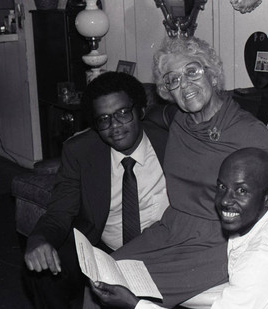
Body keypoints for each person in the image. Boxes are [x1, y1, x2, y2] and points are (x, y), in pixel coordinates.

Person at [109, 36, 268, 308]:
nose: (185, 85)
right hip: (171, 229)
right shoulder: (178, 119)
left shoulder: (247, 130)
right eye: (173, 80)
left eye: (192, 72)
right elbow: (151, 116)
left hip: (216, 241)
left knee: (123, 290)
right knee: (102, 273)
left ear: (213, 76)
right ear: (168, 91)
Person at [89, 148, 268, 309]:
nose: (226, 201)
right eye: (221, 187)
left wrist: (134, 305)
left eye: (241, 191)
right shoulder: (264, 220)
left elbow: (252, 275)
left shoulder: (264, 258)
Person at [23, 71, 170, 308]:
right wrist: (38, 239)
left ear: (140, 110)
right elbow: (60, 212)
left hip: (160, 248)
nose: (115, 126)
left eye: (123, 113)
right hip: (102, 250)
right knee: (40, 270)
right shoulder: (80, 152)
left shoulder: (169, 143)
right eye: (104, 119)